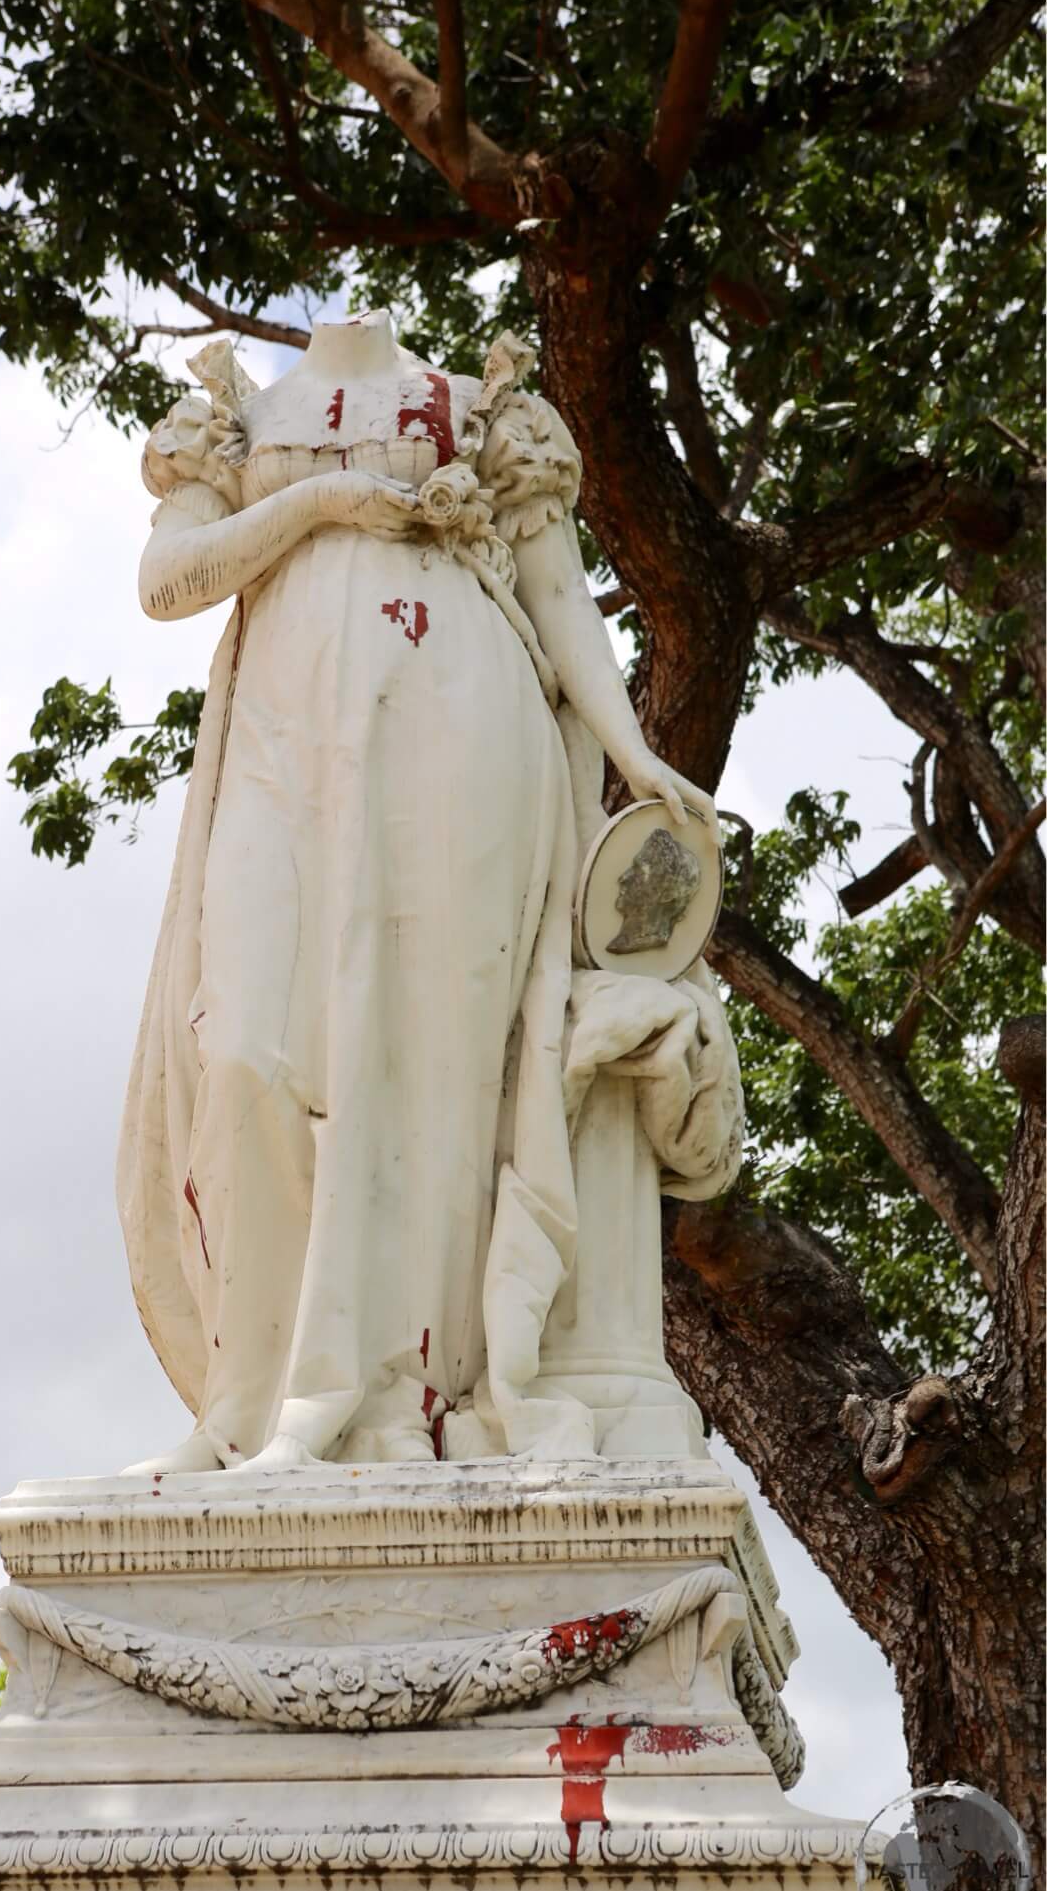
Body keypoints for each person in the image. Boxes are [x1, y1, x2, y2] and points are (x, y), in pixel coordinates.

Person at [116, 312, 716, 1472]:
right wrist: (321, 506)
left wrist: (630, 752)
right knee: (242, 1048)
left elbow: (557, 595)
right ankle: (258, 1395)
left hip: (460, 737)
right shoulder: (238, 416)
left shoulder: (481, 407)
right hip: (283, 746)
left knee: (432, 1064)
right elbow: (165, 584)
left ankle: (406, 1396)